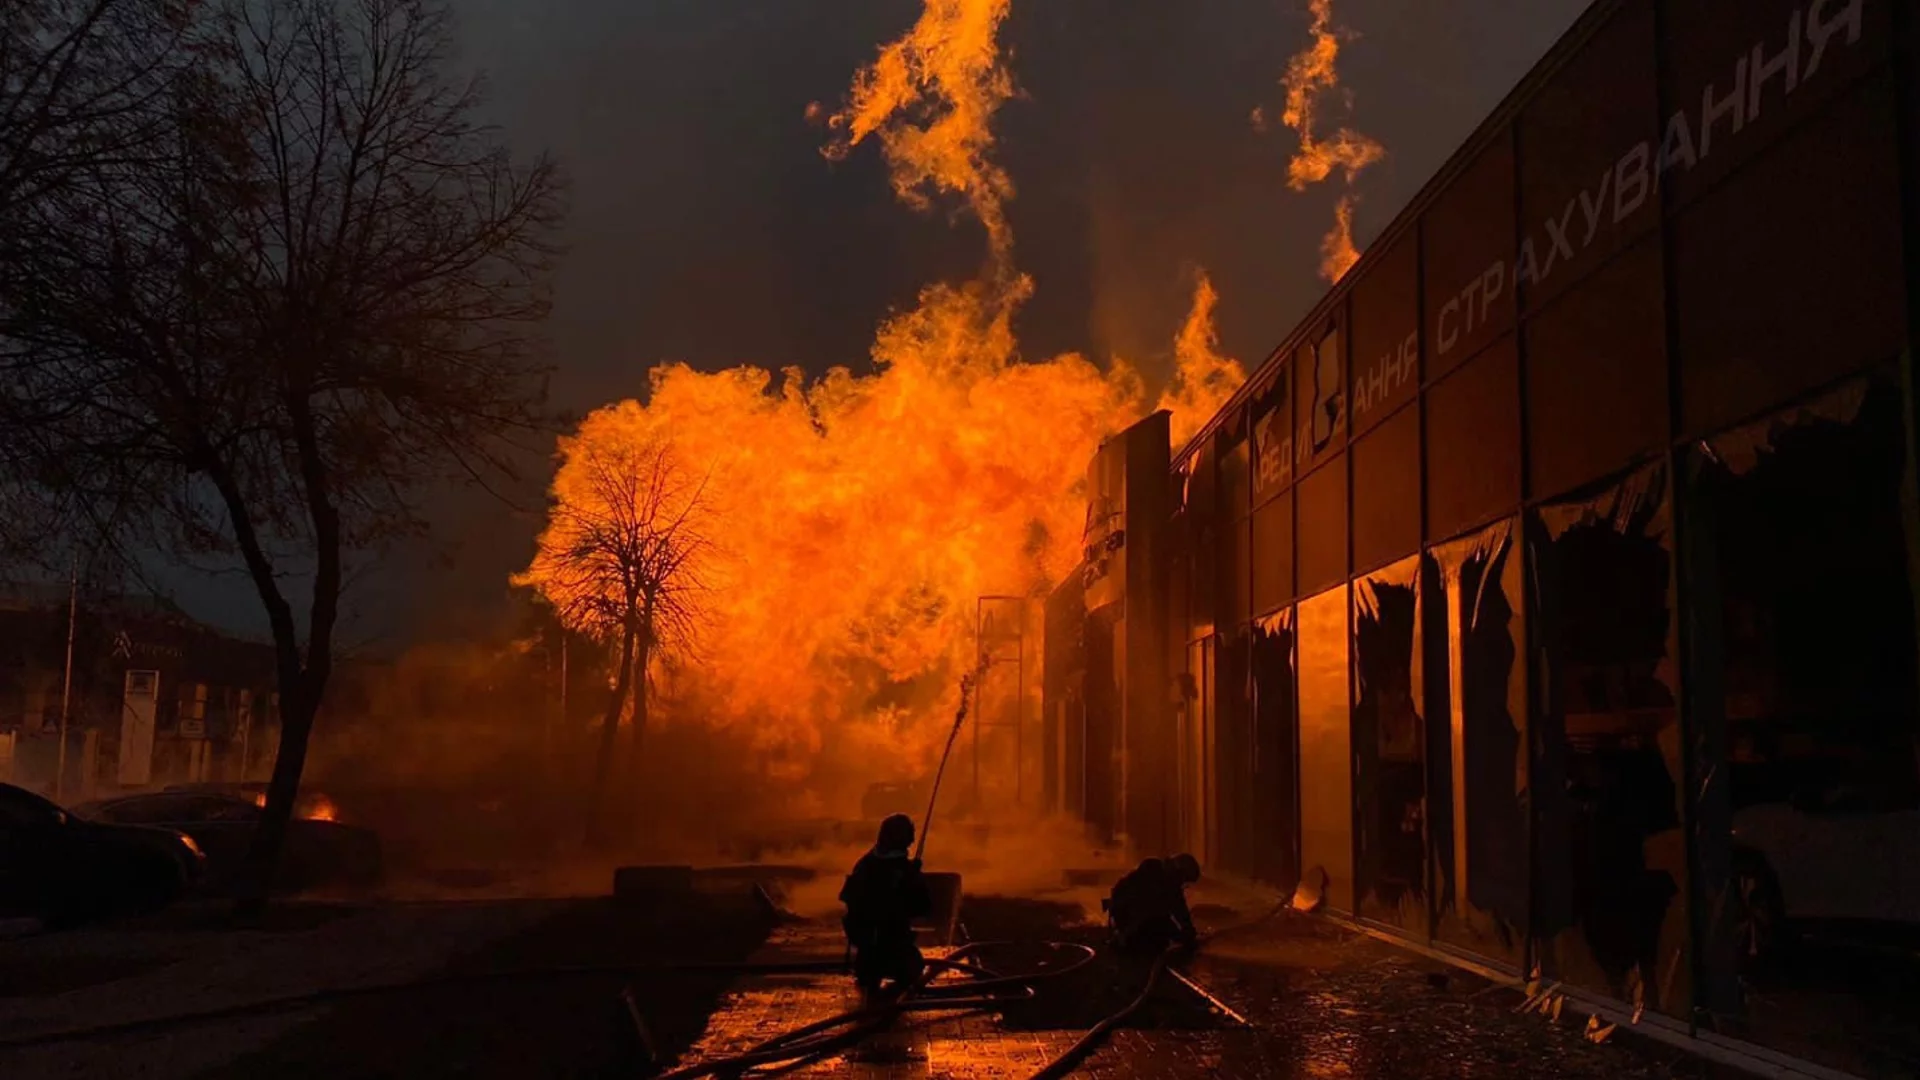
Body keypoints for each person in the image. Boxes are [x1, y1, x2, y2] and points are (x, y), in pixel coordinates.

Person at [839, 813, 932, 997]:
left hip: (867, 948)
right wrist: (913, 879)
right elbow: (922, 906)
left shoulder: (864, 864)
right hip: (889, 944)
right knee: (913, 969)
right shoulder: (901, 870)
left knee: (873, 972)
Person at [1105, 853, 1201, 954]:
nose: (1182, 884)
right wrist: (1187, 935)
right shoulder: (1159, 880)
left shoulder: (1156, 876)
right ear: (1179, 872)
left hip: (1130, 929)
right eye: (1184, 879)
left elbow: (1178, 910)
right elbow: (1175, 910)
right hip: (1134, 932)